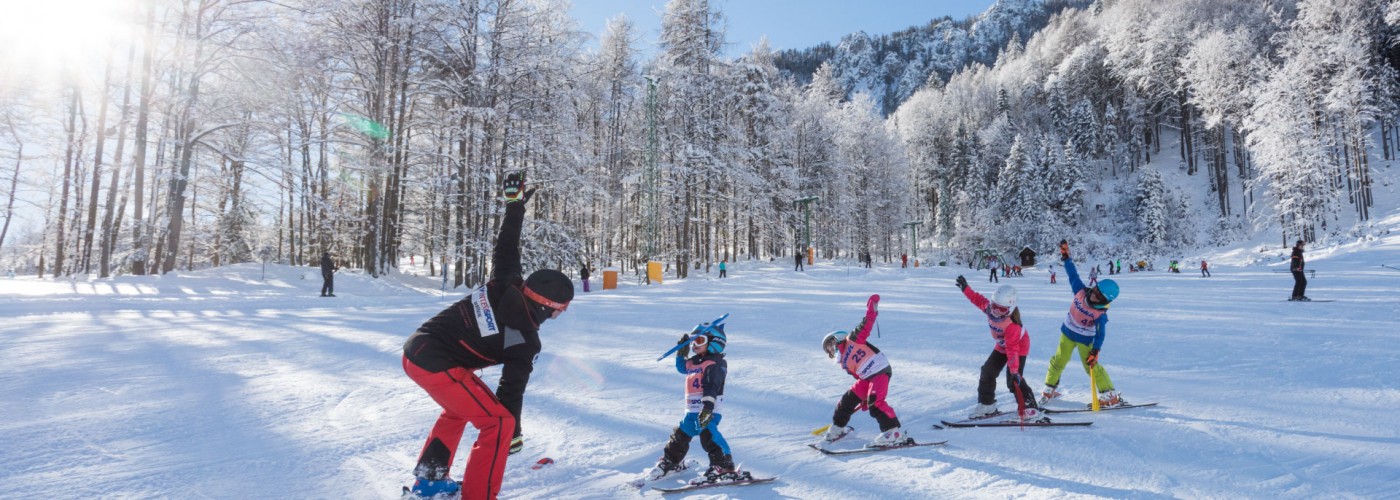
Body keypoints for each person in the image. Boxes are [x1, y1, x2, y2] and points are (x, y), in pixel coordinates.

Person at [400, 172, 575, 500]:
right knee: (498, 424)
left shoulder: (506, 282)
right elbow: (511, 390)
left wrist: (515, 206)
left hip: (416, 350)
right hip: (437, 363)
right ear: (548, 306)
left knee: (460, 410)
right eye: (559, 310)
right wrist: (514, 431)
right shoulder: (524, 339)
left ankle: (430, 482)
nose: (557, 316)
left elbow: (506, 244)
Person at [643, 318, 749, 486]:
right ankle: (671, 461)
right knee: (680, 436)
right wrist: (682, 352)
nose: (694, 345)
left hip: (708, 409)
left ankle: (723, 466)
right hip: (691, 410)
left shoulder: (714, 363)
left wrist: (707, 408)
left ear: (714, 342)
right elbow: (681, 368)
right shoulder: (693, 361)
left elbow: (711, 387)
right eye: (692, 341)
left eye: (699, 340)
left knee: (709, 436)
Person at [1041, 240, 1127, 408]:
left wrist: (1095, 350)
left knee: (1091, 367)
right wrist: (1066, 258)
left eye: (1099, 297)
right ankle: (1049, 389)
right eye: (1095, 291)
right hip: (1067, 333)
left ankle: (1109, 395)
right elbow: (1073, 274)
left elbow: (1101, 334)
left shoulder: (1100, 314)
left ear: (1104, 301)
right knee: (1058, 361)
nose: (1094, 296)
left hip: (1085, 340)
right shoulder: (1080, 291)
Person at [818, 294, 911, 447]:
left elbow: (867, 324)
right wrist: (863, 397)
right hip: (867, 378)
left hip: (880, 371)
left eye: (830, 345)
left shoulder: (853, 339)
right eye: (828, 350)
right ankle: (837, 428)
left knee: (876, 403)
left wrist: (872, 307)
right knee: (847, 400)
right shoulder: (845, 363)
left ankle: (893, 432)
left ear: (837, 338)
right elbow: (859, 377)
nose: (831, 350)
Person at [955, 277, 1041, 420]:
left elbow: (1012, 349)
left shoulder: (1012, 325)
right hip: (1002, 345)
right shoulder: (989, 310)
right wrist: (966, 289)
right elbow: (977, 299)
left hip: (1018, 347)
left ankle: (1029, 406)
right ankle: (987, 404)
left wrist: (1014, 370)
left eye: (1001, 309)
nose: (995, 311)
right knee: (987, 371)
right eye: (994, 305)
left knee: (1013, 380)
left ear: (1010, 309)